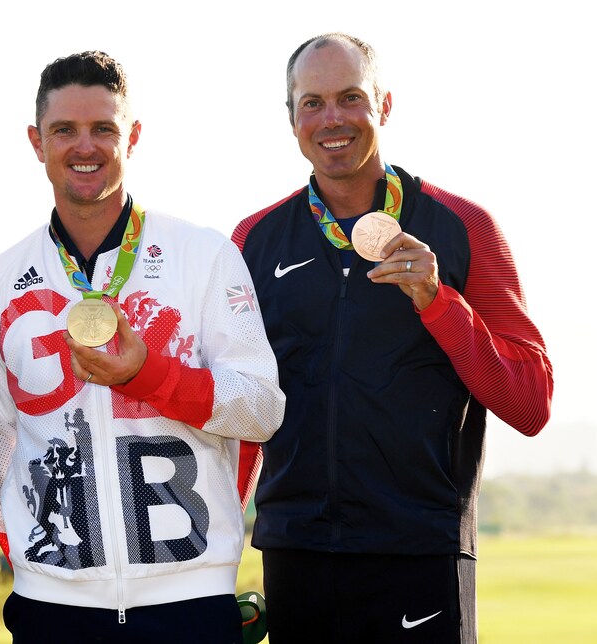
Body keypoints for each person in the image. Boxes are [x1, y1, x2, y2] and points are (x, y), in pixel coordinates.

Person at [233, 32, 554, 643]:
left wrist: (440, 303)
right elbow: (241, 410)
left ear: (383, 104)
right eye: (313, 102)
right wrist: (218, 552)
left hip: (422, 552)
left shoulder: (464, 227)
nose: (333, 119)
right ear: (291, 117)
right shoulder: (252, 242)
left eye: (351, 97)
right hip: (297, 553)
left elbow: (531, 402)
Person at [0, 50, 286, 644]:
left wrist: (148, 375)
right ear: (37, 141)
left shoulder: (203, 255)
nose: (84, 147)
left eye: (103, 129)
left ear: (131, 136)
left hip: (190, 598)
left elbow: (262, 410)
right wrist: (40, 560)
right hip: (52, 605)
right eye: (65, 130)